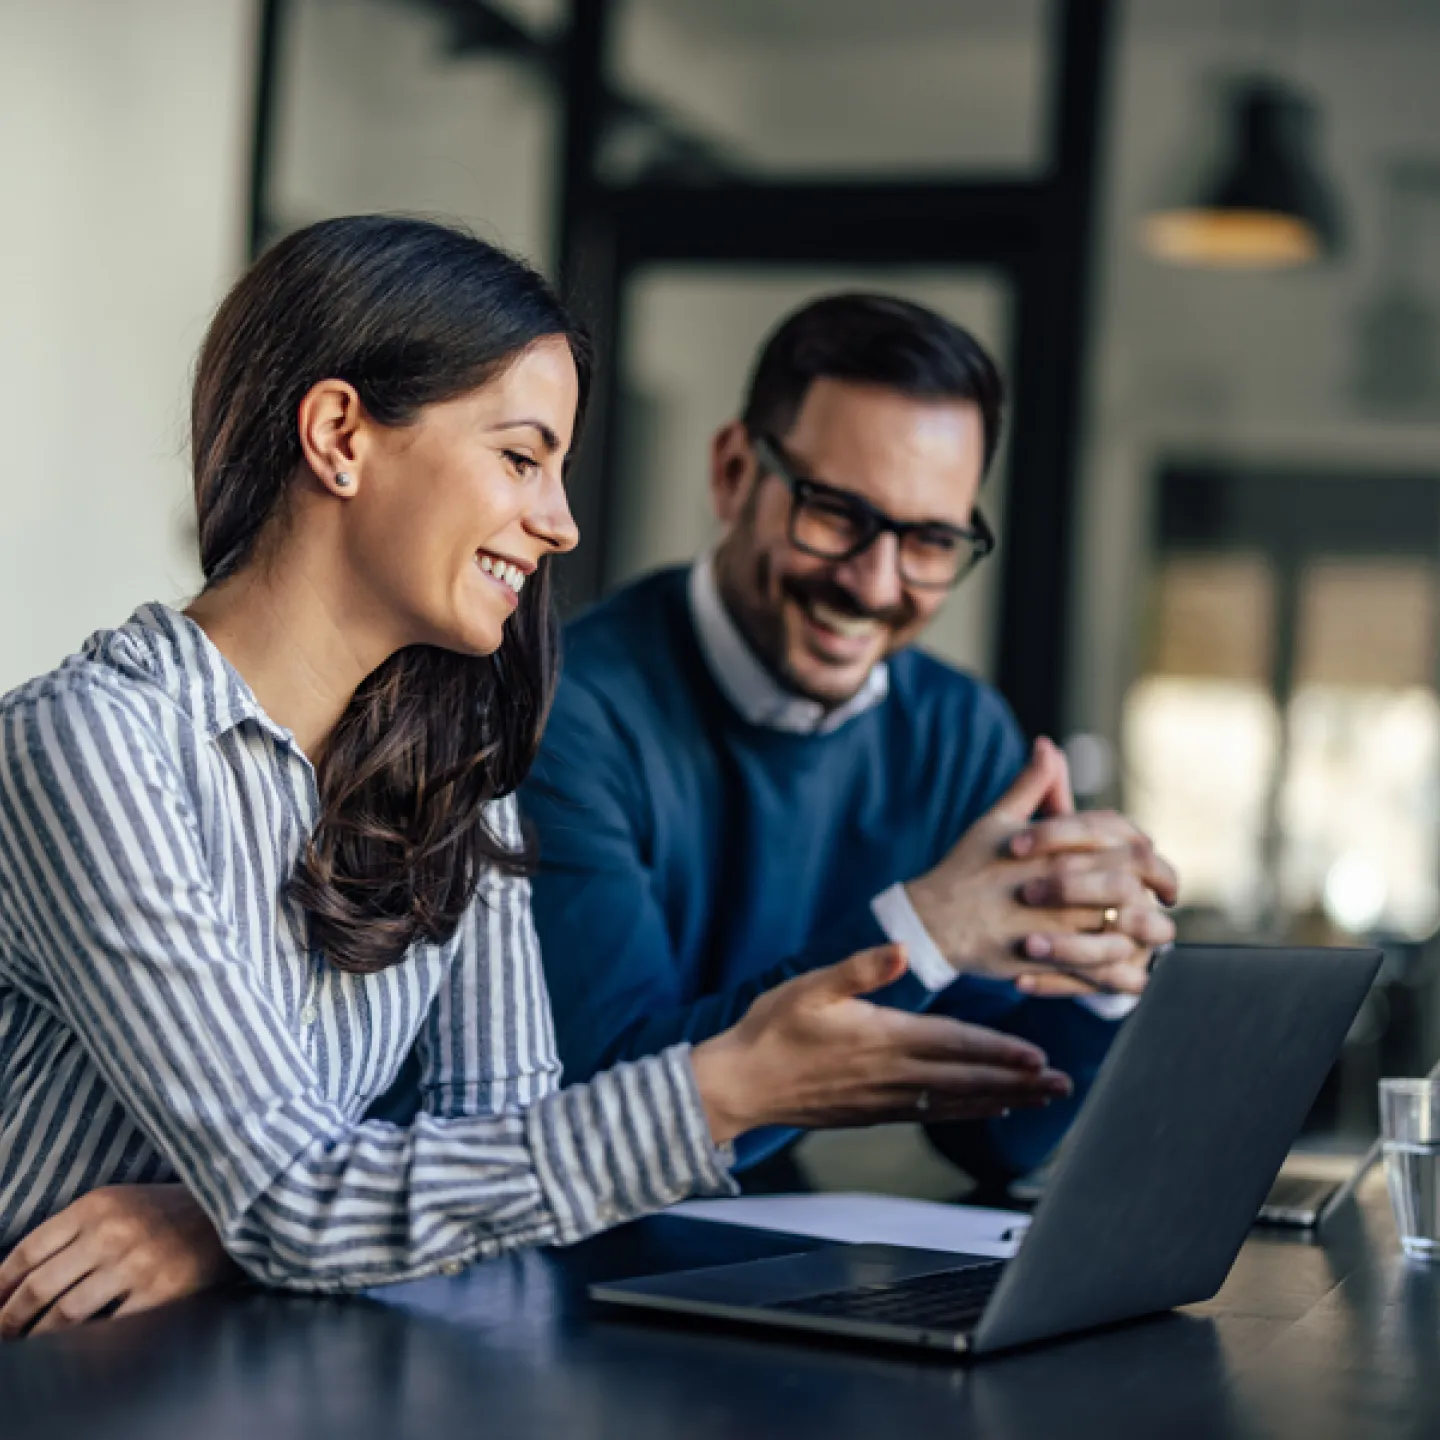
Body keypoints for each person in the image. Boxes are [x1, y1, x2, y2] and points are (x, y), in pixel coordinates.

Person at [0, 219, 1073, 1339]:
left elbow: (502, 1143)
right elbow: (296, 1200)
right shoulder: (89, 746)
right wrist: (723, 1089)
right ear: (340, 437)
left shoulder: (452, 758)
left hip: (262, 1370)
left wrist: (235, 1222)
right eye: (522, 459)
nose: (560, 524)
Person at [521, 293, 1178, 1190]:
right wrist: (922, 935)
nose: (875, 584)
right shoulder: (563, 710)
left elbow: (994, 1137)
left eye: (931, 540)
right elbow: (600, 1107)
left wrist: (1103, 973)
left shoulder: (958, 733)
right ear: (733, 473)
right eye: (835, 514)